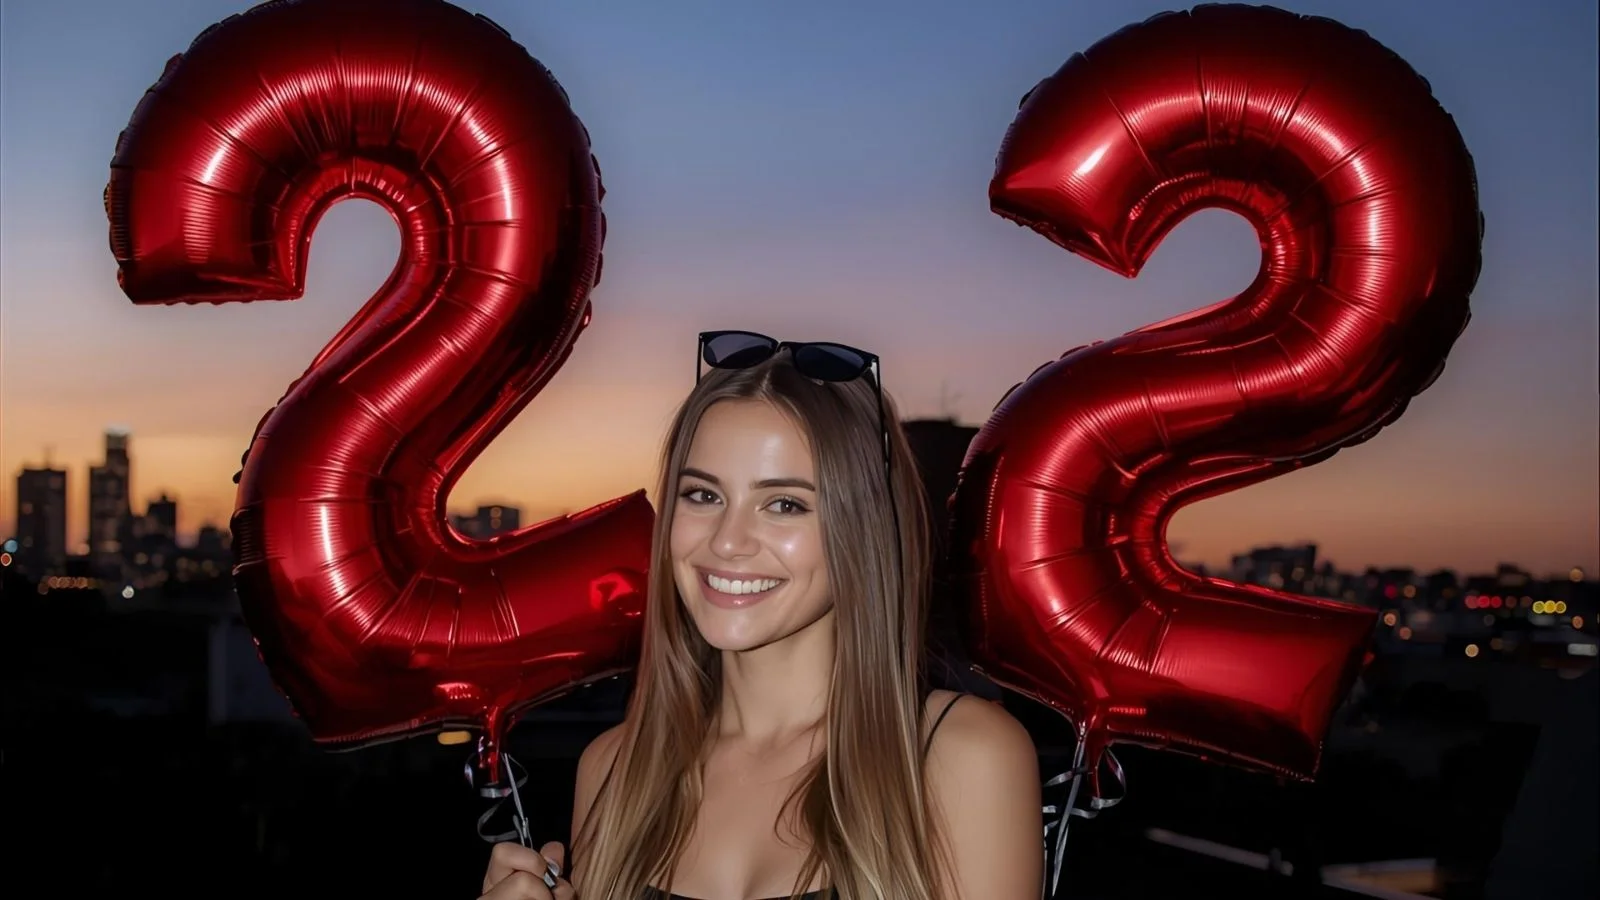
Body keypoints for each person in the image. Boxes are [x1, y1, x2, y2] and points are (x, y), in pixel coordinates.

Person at [479, 331, 1042, 900]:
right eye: (703, 495)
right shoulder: (613, 768)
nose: (727, 541)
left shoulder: (960, 758)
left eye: (784, 504)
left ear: (862, 530)